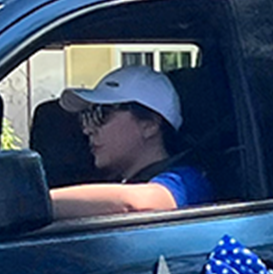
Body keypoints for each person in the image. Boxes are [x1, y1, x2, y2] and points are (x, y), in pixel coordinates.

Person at [47, 64, 211, 218]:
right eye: (86, 117)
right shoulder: (121, 182)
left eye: (100, 114)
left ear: (149, 125)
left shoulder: (187, 181)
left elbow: (137, 204)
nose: (87, 130)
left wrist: (38, 203)